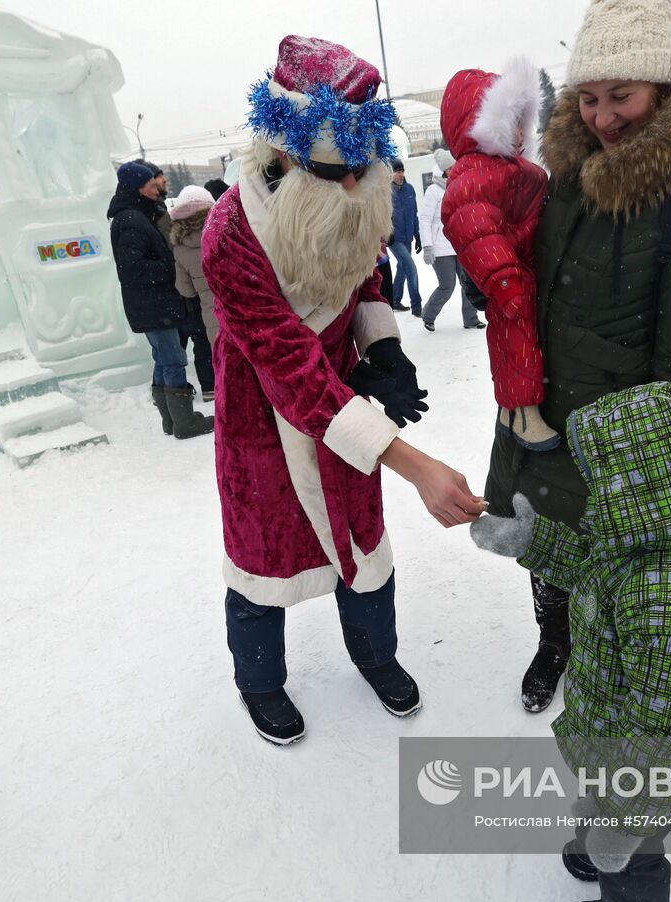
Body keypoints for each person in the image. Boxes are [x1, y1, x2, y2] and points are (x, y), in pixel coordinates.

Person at [482, 1, 671, 902]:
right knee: (571, 601)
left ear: (666, 86)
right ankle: (580, 722)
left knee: (638, 649)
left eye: (622, 95)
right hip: (544, 430)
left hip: (628, 461)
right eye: (589, 97)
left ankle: (633, 888)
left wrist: (629, 469)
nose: (603, 115)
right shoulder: (569, 180)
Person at [202, 35, 485, 745]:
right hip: (263, 422)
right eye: (340, 173)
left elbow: (365, 274)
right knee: (263, 560)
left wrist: (382, 347)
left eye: (365, 169)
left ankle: (376, 656)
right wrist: (415, 464)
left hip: (347, 405)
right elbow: (290, 370)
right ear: (289, 153)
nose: (358, 188)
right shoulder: (230, 233)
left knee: (364, 547)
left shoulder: (345, 193)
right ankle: (259, 677)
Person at [471, 383, 671, 902]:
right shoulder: (649, 537)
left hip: (649, 771)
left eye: (605, 474)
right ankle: (603, 829)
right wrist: (530, 540)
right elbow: (591, 563)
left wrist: (627, 820)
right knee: (604, 794)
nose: (592, 485)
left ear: (650, 489)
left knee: (636, 849)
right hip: (615, 727)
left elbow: (667, 736)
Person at [441, 58, 559, 452]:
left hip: (525, 268)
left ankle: (514, 412)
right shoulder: (476, 173)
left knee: (519, 341)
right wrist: (502, 276)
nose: (520, 132)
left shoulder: (515, 169)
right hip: (512, 276)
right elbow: (471, 224)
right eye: (512, 120)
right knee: (517, 341)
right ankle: (522, 413)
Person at [107, 160, 213, 439]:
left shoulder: (135, 215)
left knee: (164, 358)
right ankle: (184, 421)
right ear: (137, 187)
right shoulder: (131, 219)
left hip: (153, 303)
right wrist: (173, 266)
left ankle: (172, 420)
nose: (157, 190)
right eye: (151, 186)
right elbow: (133, 268)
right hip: (153, 304)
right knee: (173, 359)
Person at [417, 148, 484, 333]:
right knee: (447, 286)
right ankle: (428, 316)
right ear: (444, 170)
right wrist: (428, 246)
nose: (455, 169)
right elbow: (425, 219)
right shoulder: (433, 190)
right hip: (440, 248)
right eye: (451, 167)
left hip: (459, 245)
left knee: (467, 284)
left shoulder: (458, 185)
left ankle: (470, 318)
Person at [167, 185, 219, 401]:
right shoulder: (221, 233)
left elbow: (185, 290)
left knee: (219, 353)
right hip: (239, 303)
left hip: (210, 311)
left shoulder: (179, 248)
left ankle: (215, 391)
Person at [388, 159, 422, 315]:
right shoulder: (386, 192)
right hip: (394, 238)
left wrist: (417, 234)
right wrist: (388, 233)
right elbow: (382, 216)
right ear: (390, 173)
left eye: (401, 171)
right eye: (397, 171)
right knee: (410, 267)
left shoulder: (410, 189)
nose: (400, 174)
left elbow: (414, 213)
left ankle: (395, 300)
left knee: (402, 268)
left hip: (408, 237)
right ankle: (417, 306)